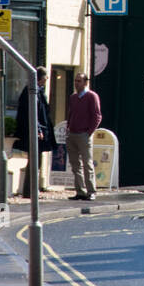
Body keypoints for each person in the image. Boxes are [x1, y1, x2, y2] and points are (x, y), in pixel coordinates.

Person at [14, 67, 57, 198]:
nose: (47, 79)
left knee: (35, 161)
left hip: (39, 130)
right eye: (46, 77)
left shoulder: (37, 90)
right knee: (34, 161)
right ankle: (29, 191)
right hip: (35, 131)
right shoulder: (32, 91)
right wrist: (38, 129)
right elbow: (33, 112)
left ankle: (30, 191)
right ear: (41, 78)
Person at [65, 71, 102, 201]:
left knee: (87, 164)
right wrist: (68, 127)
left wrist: (89, 132)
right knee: (75, 165)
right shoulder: (73, 97)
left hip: (84, 135)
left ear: (85, 82)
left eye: (79, 81)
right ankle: (80, 191)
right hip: (72, 134)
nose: (76, 83)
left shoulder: (92, 96)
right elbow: (71, 113)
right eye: (75, 80)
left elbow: (97, 116)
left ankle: (91, 191)